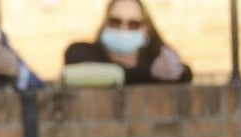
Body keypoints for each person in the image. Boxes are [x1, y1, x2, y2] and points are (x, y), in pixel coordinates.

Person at [63, 0, 192, 85]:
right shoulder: (82, 51)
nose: (123, 28)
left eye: (133, 24)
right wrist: (148, 73)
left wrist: (174, 70)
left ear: (145, 29)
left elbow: (183, 72)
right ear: (105, 24)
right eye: (116, 21)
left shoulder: (154, 57)